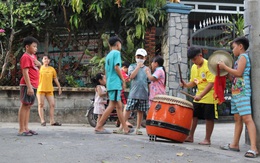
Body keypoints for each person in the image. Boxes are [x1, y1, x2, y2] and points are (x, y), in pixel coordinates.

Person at [218, 37, 258, 158]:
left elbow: (239, 73)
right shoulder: (238, 60)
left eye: (234, 47)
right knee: (237, 119)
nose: (233, 50)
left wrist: (225, 67)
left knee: (247, 118)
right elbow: (235, 77)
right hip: (236, 92)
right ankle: (234, 144)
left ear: (240, 46)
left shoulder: (243, 57)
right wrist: (227, 74)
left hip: (243, 92)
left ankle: (254, 148)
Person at [94, 36, 133, 134]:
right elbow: (117, 67)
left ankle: (125, 128)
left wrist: (108, 83)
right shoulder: (116, 53)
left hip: (111, 83)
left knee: (118, 106)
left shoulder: (108, 55)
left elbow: (107, 71)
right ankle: (99, 126)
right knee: (112, 105)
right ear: (117, 44)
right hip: (115, 83)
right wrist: (123, 80)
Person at [180, 47, 217, 145]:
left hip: (210, 96)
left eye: (194, 59)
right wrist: (186, 85)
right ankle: (190, 136)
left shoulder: (209, 65)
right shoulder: (193, 67)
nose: (193, 61)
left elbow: (211, 83)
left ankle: (207, 139)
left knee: (209, 118)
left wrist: (201, 95)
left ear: (200, 55)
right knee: (194, 116)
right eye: (191, 60)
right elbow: (194, 82)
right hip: (198, 96)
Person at [115, 48, 150, 135]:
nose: (140, 58)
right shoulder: (132, 66)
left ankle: (138, 128)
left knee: (140, 111)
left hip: (143, 94)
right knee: (128, 110)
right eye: (138, 56)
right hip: (133, 93)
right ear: (135, 57)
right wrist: (138, 67)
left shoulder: (147, 69)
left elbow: (149, 81)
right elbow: (131, 76)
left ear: (145, 58)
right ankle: (121, 127)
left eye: (141, 57)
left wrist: (149, 93)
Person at [18, 36, 41, 136]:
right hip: (27, 85)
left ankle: (26, 128)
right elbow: (25, 72)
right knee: (24, 105)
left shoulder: (33, 57)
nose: (36, 49)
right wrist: (30, 87)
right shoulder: (25, 57)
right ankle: (21, 129)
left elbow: (37, 70)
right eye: (34, 46)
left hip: (34, 85)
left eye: (36, 47)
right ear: (27, 47)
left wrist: (40, 64)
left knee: (28, 106)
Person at [37, 55, 62, 126]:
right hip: (41, 89)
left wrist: (59, 87)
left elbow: (55, 78)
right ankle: (42, 120)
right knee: (41, 104)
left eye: (48, 59)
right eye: (45, 59)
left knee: (52, 104)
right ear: (42, 60)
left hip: (49, 89)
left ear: (49, 61)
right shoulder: (40, 68)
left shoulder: (52, 69)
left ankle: (52, 121)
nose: (46, 60)